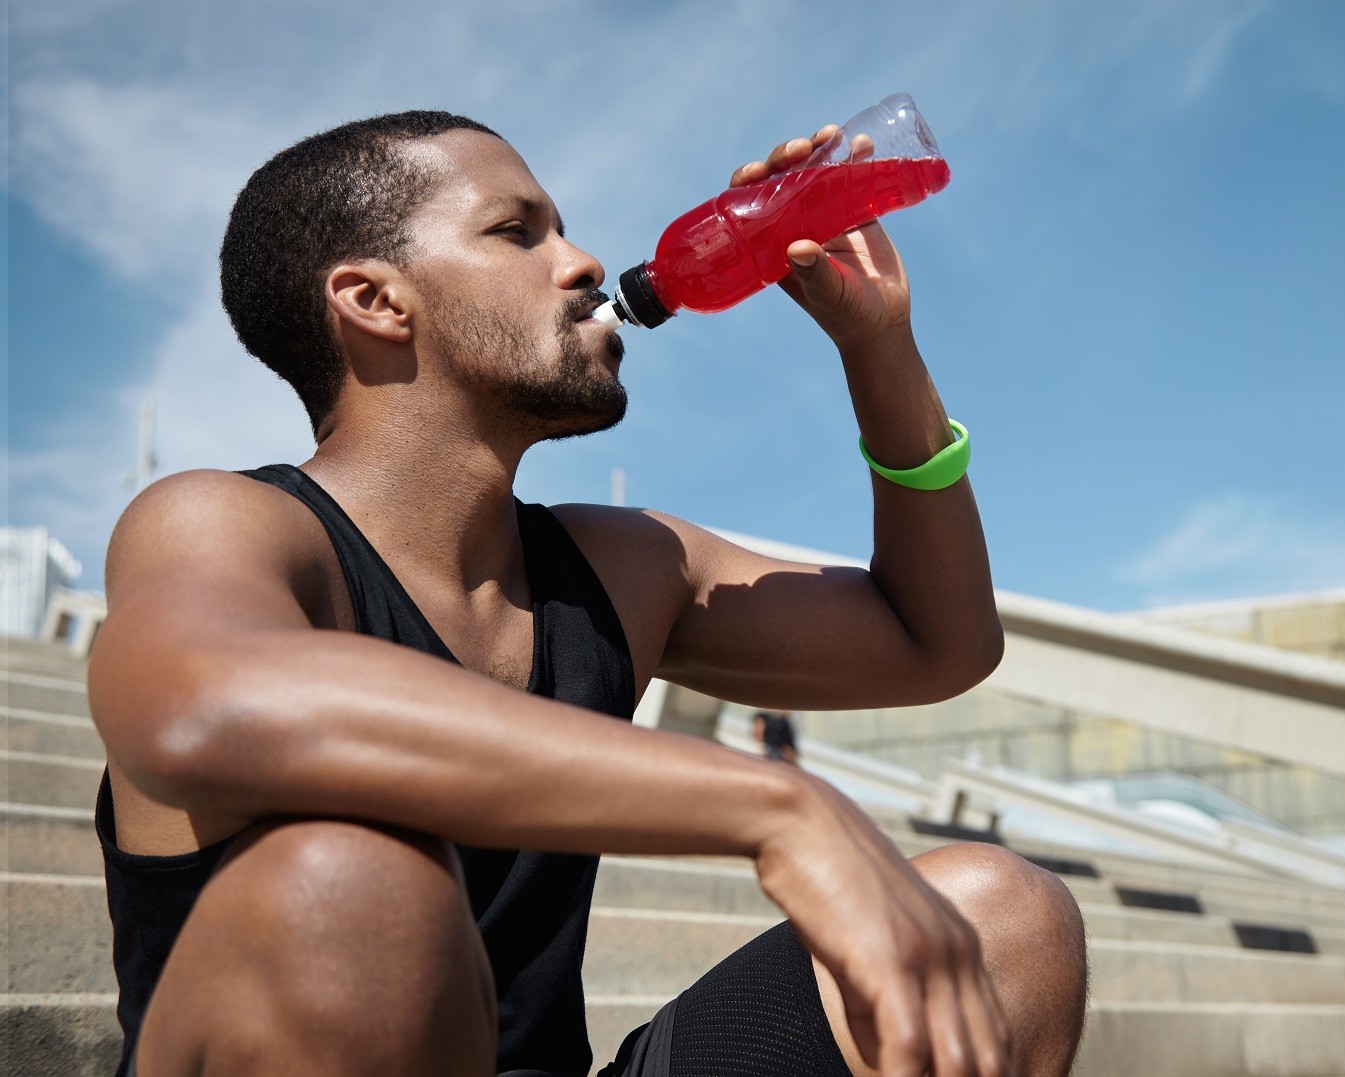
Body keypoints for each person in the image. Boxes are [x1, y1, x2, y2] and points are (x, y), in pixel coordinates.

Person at [88, 110, 1087, 1077]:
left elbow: (938, 642)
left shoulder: (619, 567)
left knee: (1004, 916)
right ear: (376, 301)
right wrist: (777, 805)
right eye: (516, 232)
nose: (583, 262)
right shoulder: (224, 523)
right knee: (346, 885)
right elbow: (201, 709)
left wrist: (877, 345)